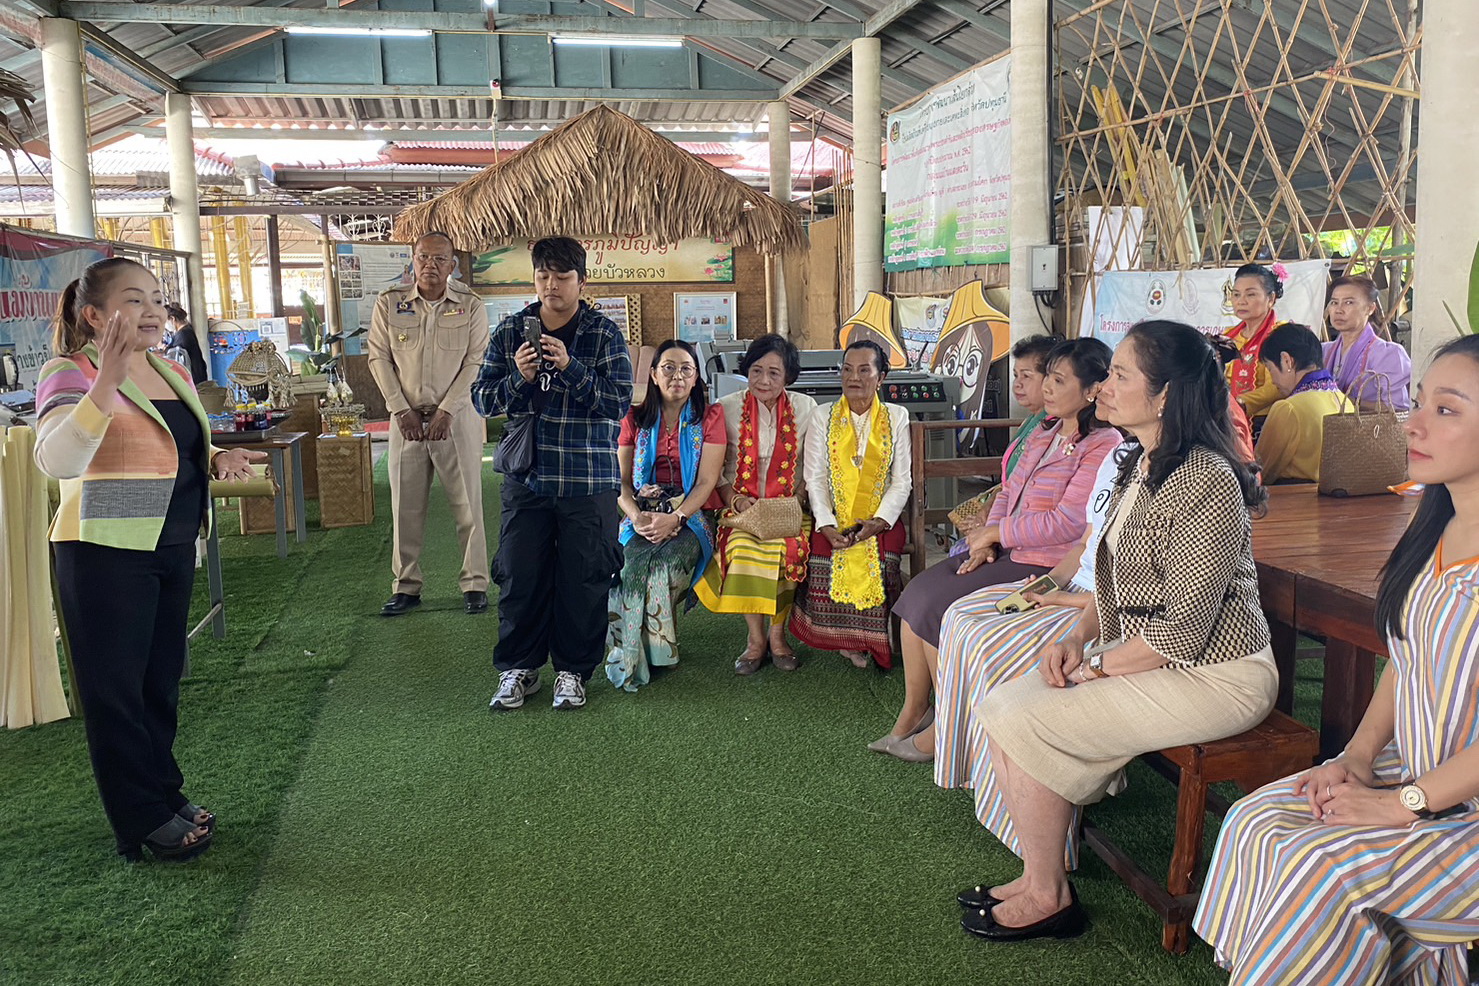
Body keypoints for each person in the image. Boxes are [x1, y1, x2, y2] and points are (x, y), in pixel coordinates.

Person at [957, 320, 1277, 942]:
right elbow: (1111, 577)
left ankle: (1048, 895)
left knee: (1016, 712)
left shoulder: (1204, 477)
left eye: (1120, 375)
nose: (1103, 386)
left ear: (1163, 397)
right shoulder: (1141, 461)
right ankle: (1039, 878)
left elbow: (1182, 632)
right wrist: (1078, 637)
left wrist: (1095, 667)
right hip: (1155, 659)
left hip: (1218, 677)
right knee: (1004, 705)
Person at [1194, 333, 1479, 985]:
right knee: (1255, 819)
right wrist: (1352, 759)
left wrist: (1403, 802)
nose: (1415, 423)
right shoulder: (1433, 527)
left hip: (1453, 802)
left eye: (1447, 409)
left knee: (1320, 869)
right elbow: (1405, 664)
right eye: (1419, 401)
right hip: (1418, 767)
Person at [33, 258, 265, 862]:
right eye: (134, 299)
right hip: (103, 552)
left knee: (158, 683)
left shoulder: (170, 367)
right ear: (94, 315)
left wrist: (217, 457)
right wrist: (105, 379)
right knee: (116, 693)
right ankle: (138, 820)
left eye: (158, 298)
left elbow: (183, 439)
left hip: (170, 543)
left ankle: (164, 792)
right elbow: (59, 460)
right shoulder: (69, 372)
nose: (154, 310)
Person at [879, 338, 1121, 762]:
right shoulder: (1045, 431)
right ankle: (913, 712)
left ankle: (946, 729)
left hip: (1042, 559)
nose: (1046, 387)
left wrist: (997, 535)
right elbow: (1009, 491)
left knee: (937, 610)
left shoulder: (1101, 444)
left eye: (1057, 379)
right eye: (1047, 376)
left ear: (1090, 391)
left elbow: (1069, 521)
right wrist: (987, 538)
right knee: (915, 594)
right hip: (1009, 549)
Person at [933, 452, 1120, 870]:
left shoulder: (1165, 469)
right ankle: (984, 779)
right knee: (962, 618)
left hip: (1100, 610)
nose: (1108, 389)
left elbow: (1130, 596)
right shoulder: (1118, 456)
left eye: (1120, 380)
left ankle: (1027, 823)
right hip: (1074, 590)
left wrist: (1060, 599)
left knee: (997, 644)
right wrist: (1047, 586)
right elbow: (1085, 546)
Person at [472, 236, 633, 712]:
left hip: (588, 479)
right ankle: (518, 669)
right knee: (520, 573)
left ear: (581, 282)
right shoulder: (510, 332)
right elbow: (483, 400)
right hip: (528, 478)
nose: (551, 286)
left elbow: (618, 403)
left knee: (584, 576)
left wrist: (571, 368)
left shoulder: (603, 335)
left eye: (562, 277)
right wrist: (516, 377)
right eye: (543, 276)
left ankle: (572, 671)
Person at [367, 231, 491, 618]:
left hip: (456, 420)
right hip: (405, 421)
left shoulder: (470, 306)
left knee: (468, 505)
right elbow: (378, 359)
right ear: (412, 261)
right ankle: (406, 586)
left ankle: (474, 583)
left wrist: (448, 411)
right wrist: (399, 409)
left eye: (439, 259)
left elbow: (475, 362)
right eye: (423, 257)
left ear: (452, 266)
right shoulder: (390, 304)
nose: (430, 266)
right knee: (404, 506)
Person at [694, 334, 818, 674]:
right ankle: (755, 639)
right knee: (745, 553)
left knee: (787, 553)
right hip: (741, 510)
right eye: (757, 370)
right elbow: (713, 468)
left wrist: (800, 497)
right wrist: (734, 498)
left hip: (790, 508)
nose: (764, 380)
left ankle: (778, 638)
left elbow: (815, 465)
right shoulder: (725, 408)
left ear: (788, 377)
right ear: (746, 370)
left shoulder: (806, 409)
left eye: (774, 373)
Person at [607, 340, 726, 691]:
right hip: (640, 516)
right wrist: (636, 515)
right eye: (668, 367)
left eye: (686, 368)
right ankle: (630, 652)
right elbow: (622, 482)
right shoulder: (633, 418)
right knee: (626, 567)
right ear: (654, 375)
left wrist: (676, 518)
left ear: (696, 378)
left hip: (692, 516)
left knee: (663, 568)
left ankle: (659, 652)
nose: (677, 375)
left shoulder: (710, 418)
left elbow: (706, 482)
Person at [788, 340, 912, 669]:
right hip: (833, 515)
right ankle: (846, 641)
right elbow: (814, 477)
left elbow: (902, 481)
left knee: (885, 554)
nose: (853, 377)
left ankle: (871, 640)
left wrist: (881, 520)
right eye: (847, 369)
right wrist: (825, 523)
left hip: (879, 516)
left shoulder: (896, 416)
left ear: (881, 377)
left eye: (863, 370)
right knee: (819, 550)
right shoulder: (823, 415)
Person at [1254, 322, 1353, 484]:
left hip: (1295, 505)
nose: (1273, 381)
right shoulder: (1344, 400)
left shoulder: (1289, 408)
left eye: (1270, 369)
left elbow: (1261, 472)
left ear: (1286, 361)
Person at [1322, 274, 1412, 410]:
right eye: (1334, 302)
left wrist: (1345, 402)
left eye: (1348, 302)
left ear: (1370, 308)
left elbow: (1396, 408)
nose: (1338, 310)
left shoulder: (1388, 354)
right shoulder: (1323, 351)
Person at [1223, 262, 1288, 419]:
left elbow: (1278, 386)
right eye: (1236, 294)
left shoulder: (1282, 333)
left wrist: (1240, 404)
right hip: (1228, 415)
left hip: (1266, 419)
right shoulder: (1228, 336)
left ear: (1271, 298)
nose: (1241, 301)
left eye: (1250, 294)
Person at [163, 303, 208, 385]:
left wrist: (163, 349)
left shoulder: (183, 335)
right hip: (197, 375)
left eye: (165, 322)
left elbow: (174, 356)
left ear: (172, 319)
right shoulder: (187, 329)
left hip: (193, 378)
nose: (165, 326)